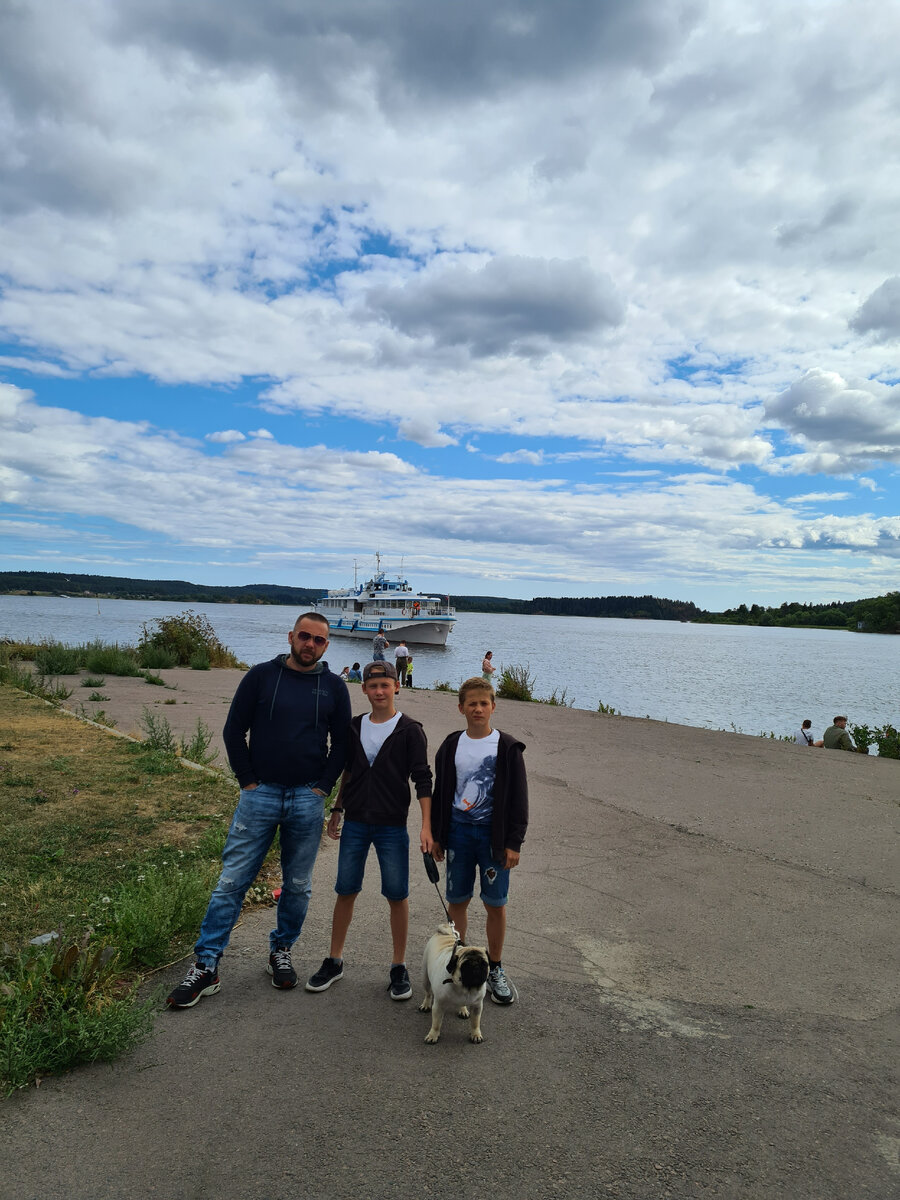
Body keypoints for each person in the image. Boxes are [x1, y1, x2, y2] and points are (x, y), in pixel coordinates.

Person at [166, 612, 351, 1008]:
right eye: (305, 636)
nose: (310, 645)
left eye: (319, 640)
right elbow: (234, 729)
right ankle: (206, 965)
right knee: (232, 881)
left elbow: (342, 744)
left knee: (297, 885)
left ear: (326, 645)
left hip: (306, 798)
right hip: (260, 794)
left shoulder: (334, 687)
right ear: (291, 636)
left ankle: (281, 951)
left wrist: (322, 787)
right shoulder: (261, 676)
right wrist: (247, 779)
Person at [306, 661, 433, 1000]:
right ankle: (334, 960)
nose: (379, 691)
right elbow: (348, 770)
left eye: (385, 685)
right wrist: (337, 809)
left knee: (397, 895)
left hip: (392, 826)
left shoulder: (410, 730)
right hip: (357, 823)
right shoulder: (355, 726)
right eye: (373, 686)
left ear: (396, 687)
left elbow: (422, 779)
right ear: (363, 689)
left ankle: (398, 966)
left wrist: (426, 825)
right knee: (345, 889)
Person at [431, 676, 528, 1006]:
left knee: (495, 904)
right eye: (471, 703)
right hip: (458, 833)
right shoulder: (451, 745)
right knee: (457, 901)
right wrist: (437, 835)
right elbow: (441, 792)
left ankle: (495, 967)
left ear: (493, 707)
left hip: (493, 838)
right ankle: (457, 963)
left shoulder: (507, 748)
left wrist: (514, 842)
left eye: (483, 703)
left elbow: (519, 798)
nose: (478, 708)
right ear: (461, 708)